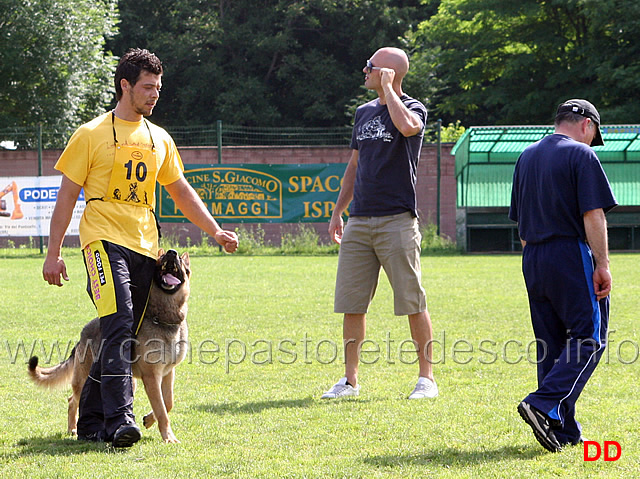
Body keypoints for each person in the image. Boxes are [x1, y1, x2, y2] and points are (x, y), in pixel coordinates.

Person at [42, 48, 238, 447]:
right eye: (148, 87)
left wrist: (215, 231)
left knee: (124, 330)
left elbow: (180, 191)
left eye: (159, 88)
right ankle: (121, 421)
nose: (155, 95)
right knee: (119, 323)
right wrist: (53, 252)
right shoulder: (90, 134)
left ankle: (91, 424)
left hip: (146, 246)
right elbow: (66, 198)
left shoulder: (159, 138)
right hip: (101, 242)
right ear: (125, 85)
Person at [321, 47, 437, 400]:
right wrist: (339, 210)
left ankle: (426, 379)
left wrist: (389, 92)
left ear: (388, 73)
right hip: (360, 221)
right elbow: (353, 167)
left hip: (397, 221)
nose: (364, 70)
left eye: (370, 67)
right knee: (351, 303)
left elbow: (407, 127)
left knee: (412, 301)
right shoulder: (363, 113)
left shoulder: (413, 107)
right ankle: (350, 381)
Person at [509, 99, 617, 452]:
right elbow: (593, 214)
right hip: (569, 252)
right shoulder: (581, 156)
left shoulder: (526, 158)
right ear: (586, 124)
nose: (591, 142)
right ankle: (542, 404)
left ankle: (562, 429)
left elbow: (521, 225)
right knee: (589, 337)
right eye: (593, 135)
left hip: (533, 255)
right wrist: (602, 264)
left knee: (551, 345)